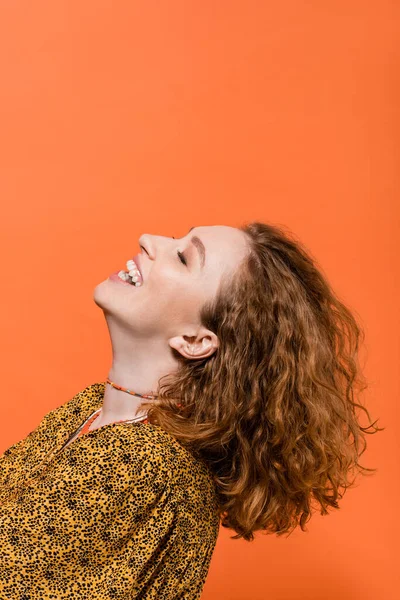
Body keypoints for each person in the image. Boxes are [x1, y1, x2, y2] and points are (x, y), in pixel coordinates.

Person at [0, 222, 383, 599]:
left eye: (184, 258)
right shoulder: (92, 409)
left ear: (195, 341)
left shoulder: (139, 460)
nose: (148, 239)